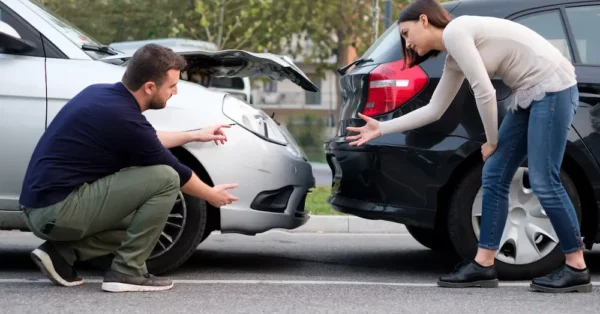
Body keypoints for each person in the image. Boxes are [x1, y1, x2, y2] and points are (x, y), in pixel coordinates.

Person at [346, 0, 590, 293]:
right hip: (530, 93)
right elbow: (435, 109)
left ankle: (576, 267)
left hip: (553, 89)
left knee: (543, 179)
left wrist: (490, 141)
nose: (407, 43)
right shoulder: (454, 56)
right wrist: (382, 127)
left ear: (424, 20)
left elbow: (484, 91)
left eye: (407, 33)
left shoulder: (456, 31)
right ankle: (484, 264)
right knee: (495, 173)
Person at [19, 43, 239, 293]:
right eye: (172, 86)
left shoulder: (101, 95)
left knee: (147, 220)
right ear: (149, 87)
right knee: (165, 178)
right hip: (56, 211)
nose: (176, 91)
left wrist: (196, 135)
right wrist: (212, 195)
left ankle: (60, 255)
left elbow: (147, 137)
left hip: (43, 208)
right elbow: (176, 171)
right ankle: (127, 271)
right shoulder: (123, 117)